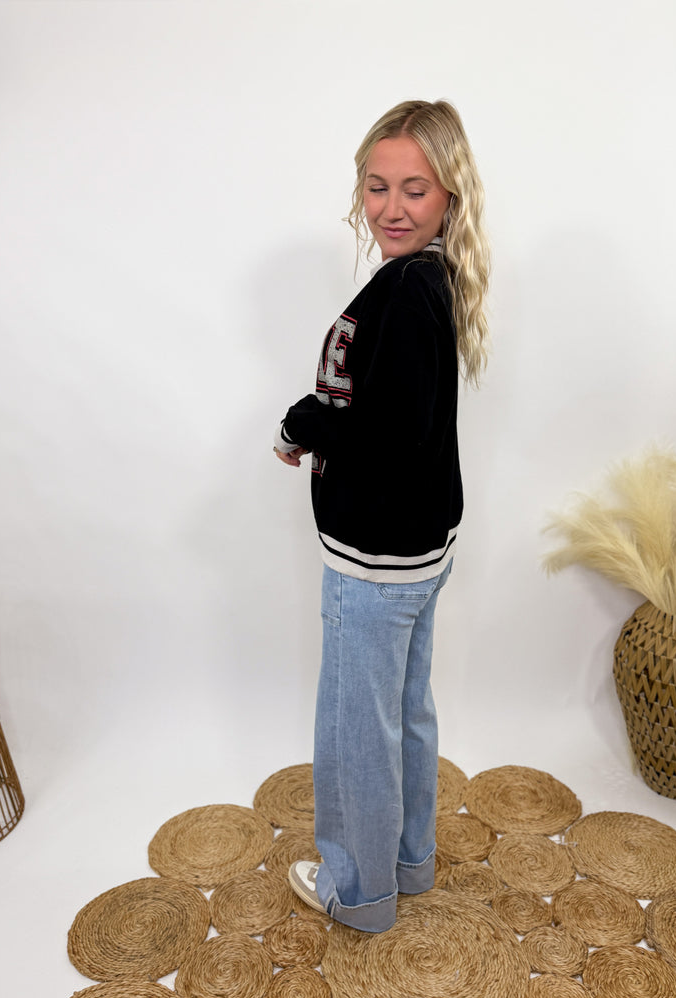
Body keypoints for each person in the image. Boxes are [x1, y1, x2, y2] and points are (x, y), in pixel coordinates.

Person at [273, 99, 490, 933]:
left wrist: (305, 421)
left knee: (358, 726)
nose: (391, 208)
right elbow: (406, 420)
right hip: (417, 547)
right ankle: (408, 860)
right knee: (402, 709)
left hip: (375, 560)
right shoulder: (429, 278)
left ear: (449, 195)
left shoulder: (406, 288)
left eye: (414, 189)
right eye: (376, 186)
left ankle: (359, 893)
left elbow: (391, 436)